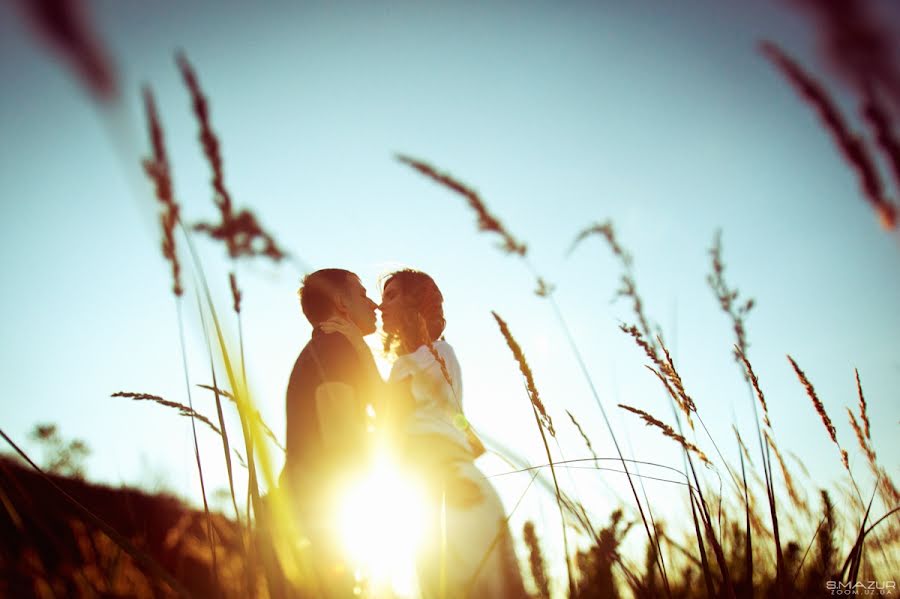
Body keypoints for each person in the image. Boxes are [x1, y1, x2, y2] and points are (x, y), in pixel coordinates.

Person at [325, 269, 526, 599]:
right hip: (432, 488)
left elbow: (390, 411)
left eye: (391, 296)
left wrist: (354, 345)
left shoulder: (436, 354)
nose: (379, 305)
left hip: (451, 486)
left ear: (414, 302)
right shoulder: (408, 362)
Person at [279, 268, 381, 596]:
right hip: (327, 519)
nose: (375, 304)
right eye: (363, 293)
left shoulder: (329, 347)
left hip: (308, 511)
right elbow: (340, 441)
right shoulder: (336, 348)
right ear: (341, 303)